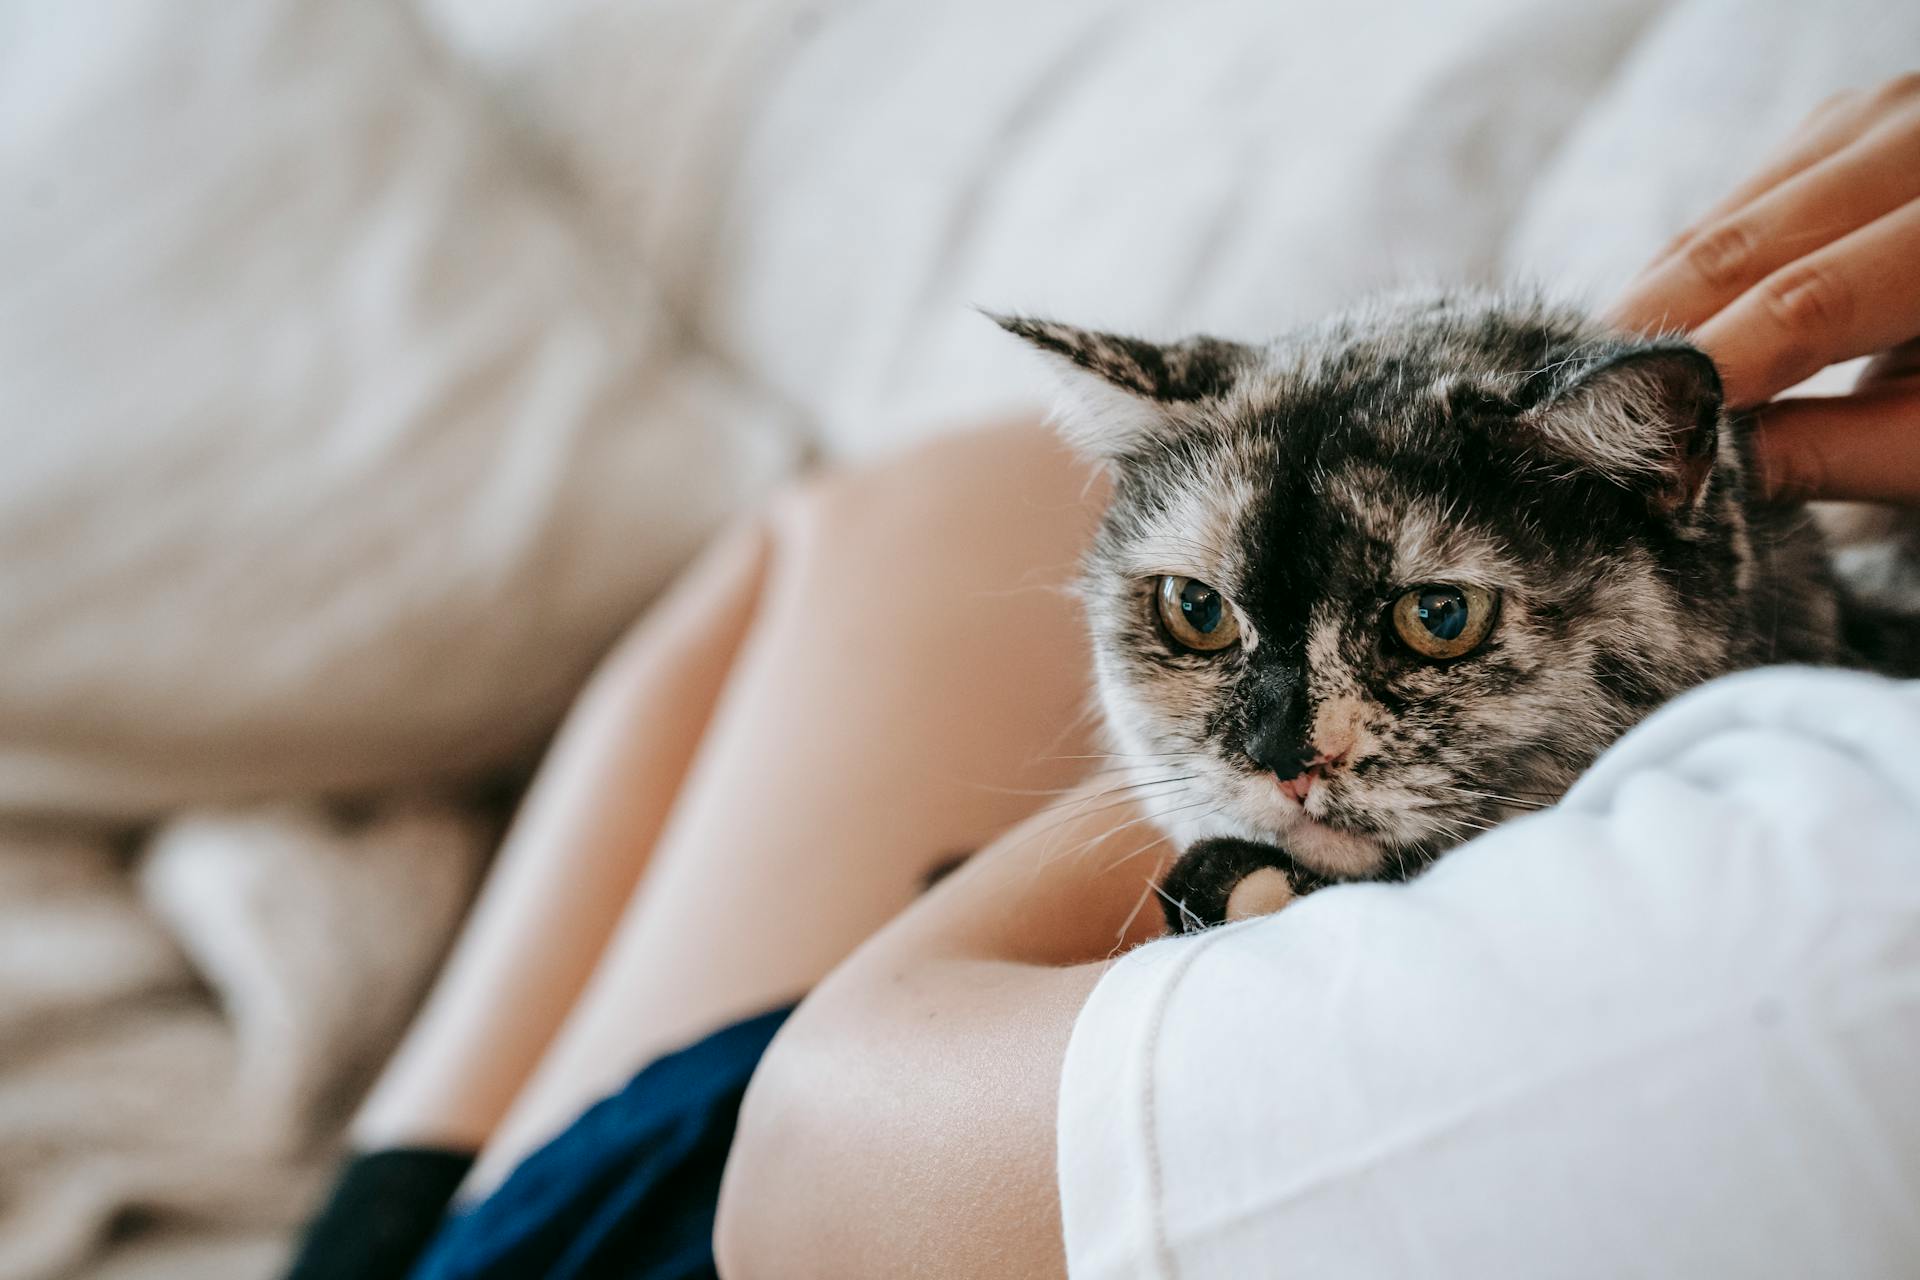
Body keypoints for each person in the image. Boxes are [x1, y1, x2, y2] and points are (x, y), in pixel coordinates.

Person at [284, 77, 1920, 1280]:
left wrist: (1196, 802)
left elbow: (811, 1175)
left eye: (1432, 630)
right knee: (905, 511)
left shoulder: (1779, 951)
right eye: (1195, 623)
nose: (1295, 754)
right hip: (810, 1084)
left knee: (886, 539)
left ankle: (388, 1246)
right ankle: (366, 1238)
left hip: (779, 1170)